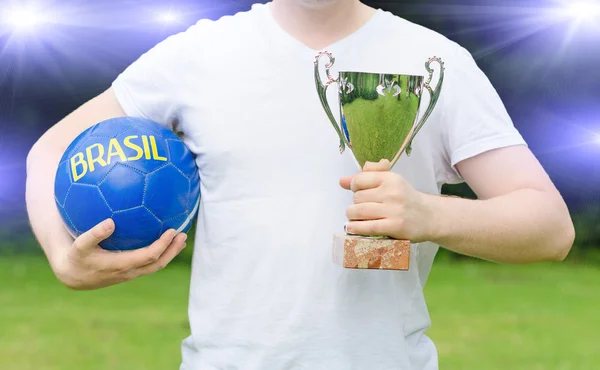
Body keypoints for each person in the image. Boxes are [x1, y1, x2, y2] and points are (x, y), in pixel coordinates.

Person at [25, 0, 575, 369]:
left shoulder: (437, 64)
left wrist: (433, 216)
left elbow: (549, 226)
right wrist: (61, 253)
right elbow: (51, 149)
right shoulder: (197, 57)